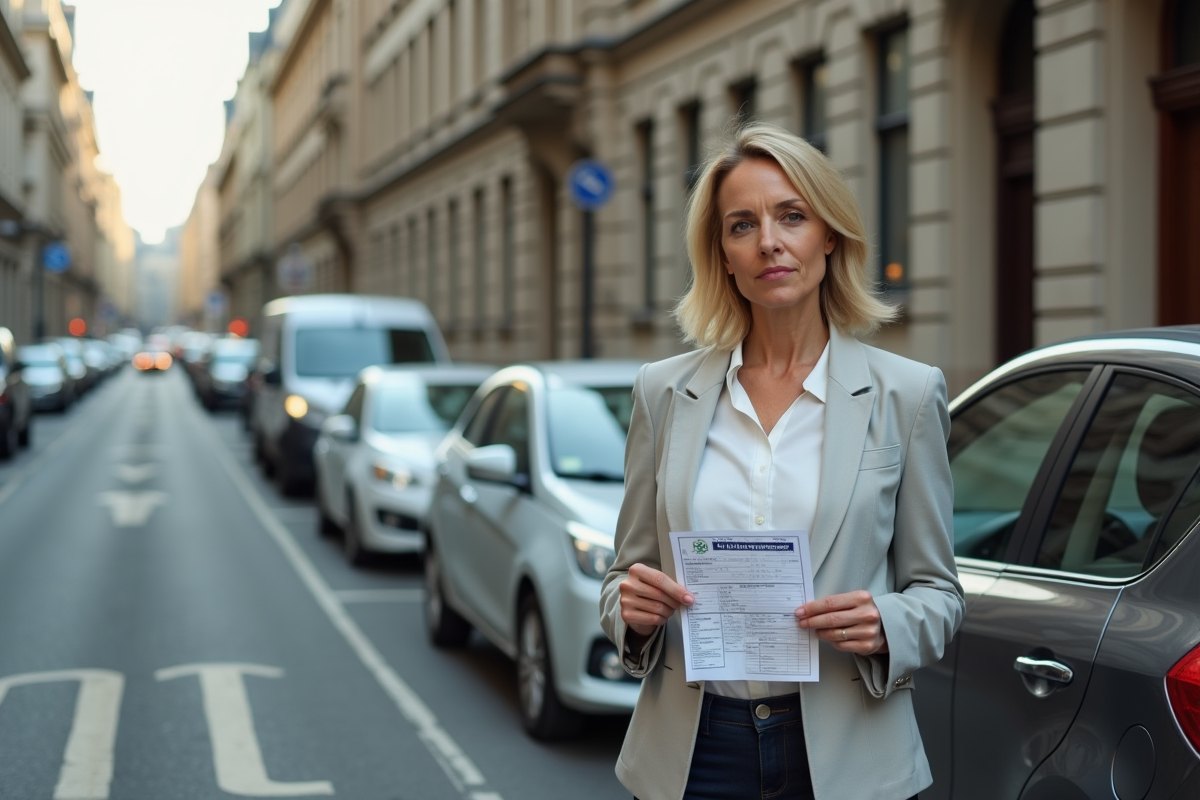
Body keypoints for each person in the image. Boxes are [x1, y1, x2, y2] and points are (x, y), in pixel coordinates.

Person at [599, 121, 965, 800]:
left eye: (790, 217)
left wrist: (888, 623)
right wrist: (631, 609)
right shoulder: (663, 392)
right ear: (724, 255)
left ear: (827, 234)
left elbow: (939, 594)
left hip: (847, 754)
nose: (768, 240)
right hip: (695, 750)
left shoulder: (908, 395)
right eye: (742, 225)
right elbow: (624, 574)